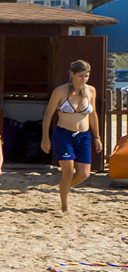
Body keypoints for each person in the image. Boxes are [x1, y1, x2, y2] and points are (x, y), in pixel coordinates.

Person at [42, 60, 99, 213]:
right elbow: (48, 114)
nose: (84, 79)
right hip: (64, 135)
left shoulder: (91, 91)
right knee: (68, 171)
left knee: (84, 174)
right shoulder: (60, 91)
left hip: (84, 135)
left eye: (86, 76)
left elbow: (93, 115)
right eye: (81, 76)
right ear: (72, 74)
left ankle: (63, 187)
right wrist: (45, 137)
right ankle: (65, 206)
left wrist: (97, 137)